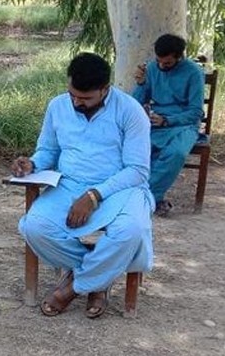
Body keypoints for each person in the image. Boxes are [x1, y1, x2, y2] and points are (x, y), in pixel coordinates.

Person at [12, 53, 154, 319]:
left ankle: (73, 287)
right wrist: (32, 164)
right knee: (34, 227)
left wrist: (93, 195)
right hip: (69, 184)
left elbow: (137, 170)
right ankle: (98, 278)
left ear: (105, 89)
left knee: (131, 231)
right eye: (73, 95)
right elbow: (48, 151)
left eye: (85, 98)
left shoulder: (130, 111)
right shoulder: (58, 106)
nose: (76, 102)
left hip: (119, 188)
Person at [132, 34, 205, 216]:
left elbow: (196, 112)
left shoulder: (194, 72)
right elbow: (135, 103)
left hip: (183, 124)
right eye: (159, 61)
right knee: (137, 149)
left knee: (176, 153)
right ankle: (148, 197)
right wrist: (141, 84)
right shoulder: (151, 68)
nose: (162, 66)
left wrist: (168, 120)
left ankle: (146, 197)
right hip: (155, 124)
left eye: (168, 63)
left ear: (179, 57)